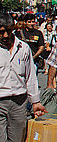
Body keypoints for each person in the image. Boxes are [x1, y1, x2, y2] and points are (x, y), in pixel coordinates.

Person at [0, 13, 47, 142]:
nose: (5, 36)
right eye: (1, 32)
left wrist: (35, 102)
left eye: (8, 31)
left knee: (18, 138)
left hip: (19, 103)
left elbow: (30, 76)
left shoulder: (23, 48)